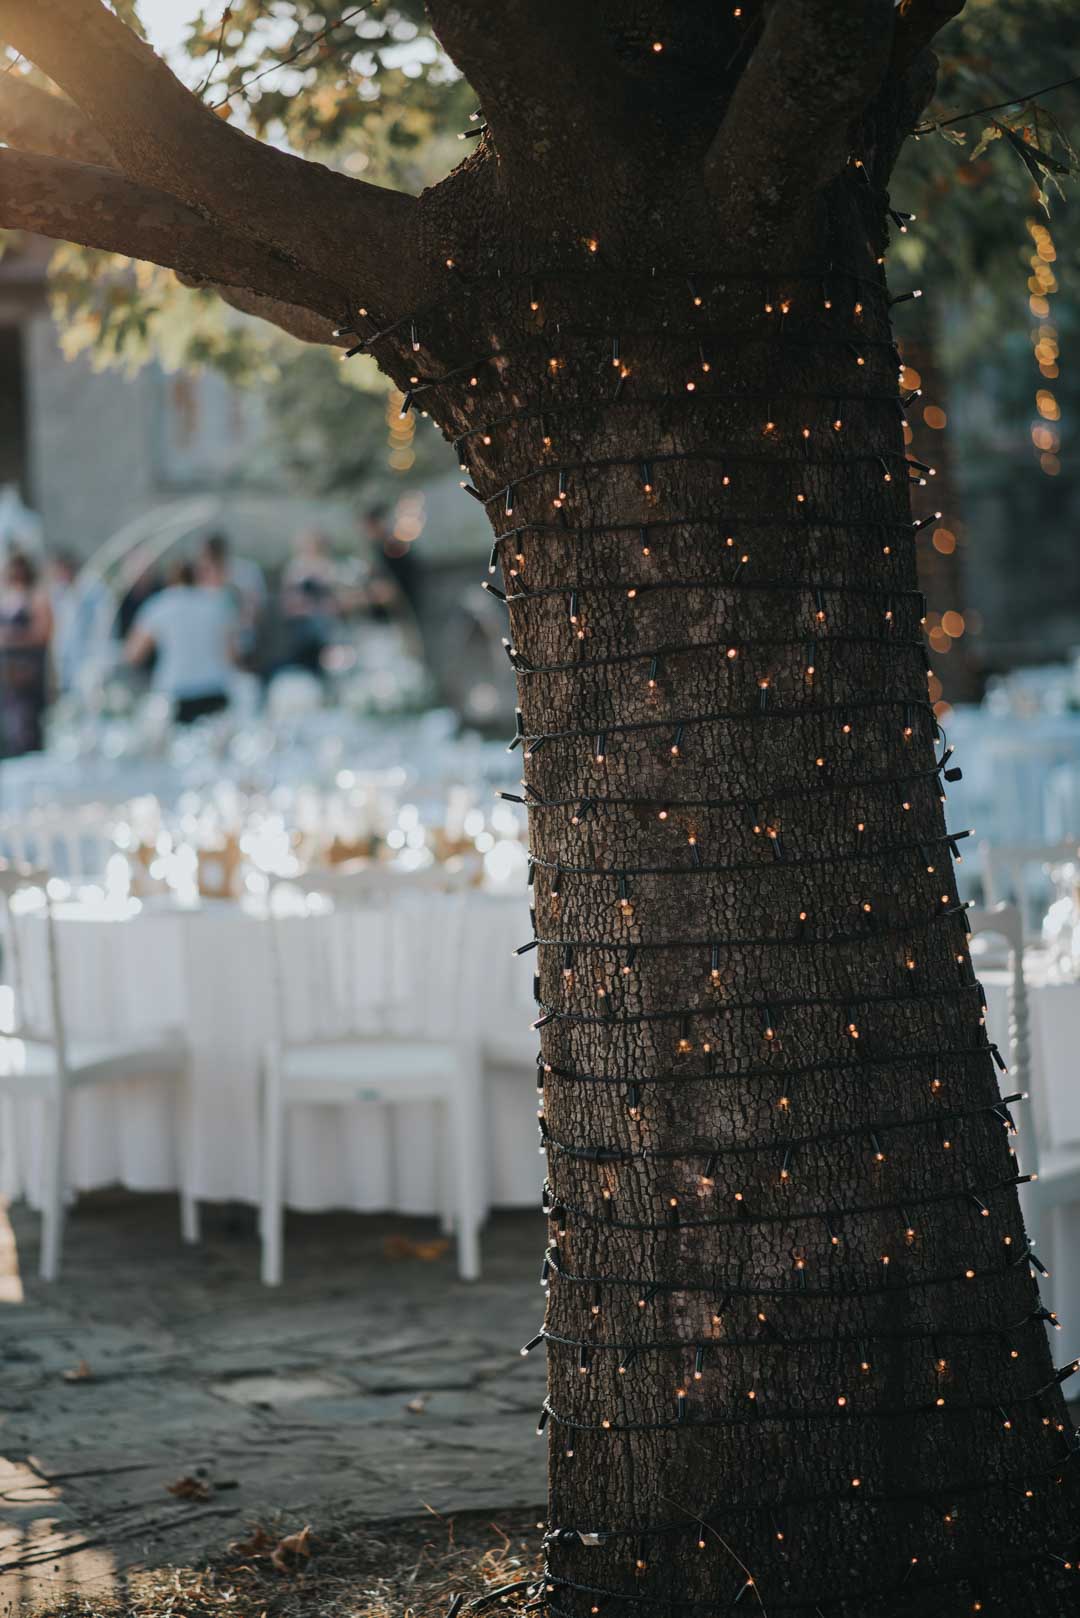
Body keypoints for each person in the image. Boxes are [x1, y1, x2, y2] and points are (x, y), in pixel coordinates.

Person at [125, 559, 236, 724]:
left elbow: (134, 654)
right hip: (214, 691)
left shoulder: (159, 605)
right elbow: (231, 655)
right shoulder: (216, 604)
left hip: (174, 693)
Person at [0, 549, 53, 757]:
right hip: (6, 671)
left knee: (27, 723)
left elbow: (43, 633)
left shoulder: (36, 597)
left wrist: (12, 638)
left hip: (27, 670)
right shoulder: (6, 597)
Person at [276, 529, 339, 677]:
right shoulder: (295, 567)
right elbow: (288, 599)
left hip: (323, 627)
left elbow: (332, 600)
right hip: (300, 628)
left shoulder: (327, 566)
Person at [48, 549, 111, 695]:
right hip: (65, 661)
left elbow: (103, 625)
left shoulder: (92, 588)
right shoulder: (58, 591)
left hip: (89, 659)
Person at [199, 532, 266, 662]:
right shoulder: (203, 577)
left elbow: (254, 608)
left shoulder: (245, 572)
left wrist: (243, 629)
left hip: (239, 639)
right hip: (214, 640)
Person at [361, 503, 421, 615]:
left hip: (405, 606)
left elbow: (395, 587)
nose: (365, 532)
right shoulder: (380, 546)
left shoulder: (393, 547)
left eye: (368, 527)